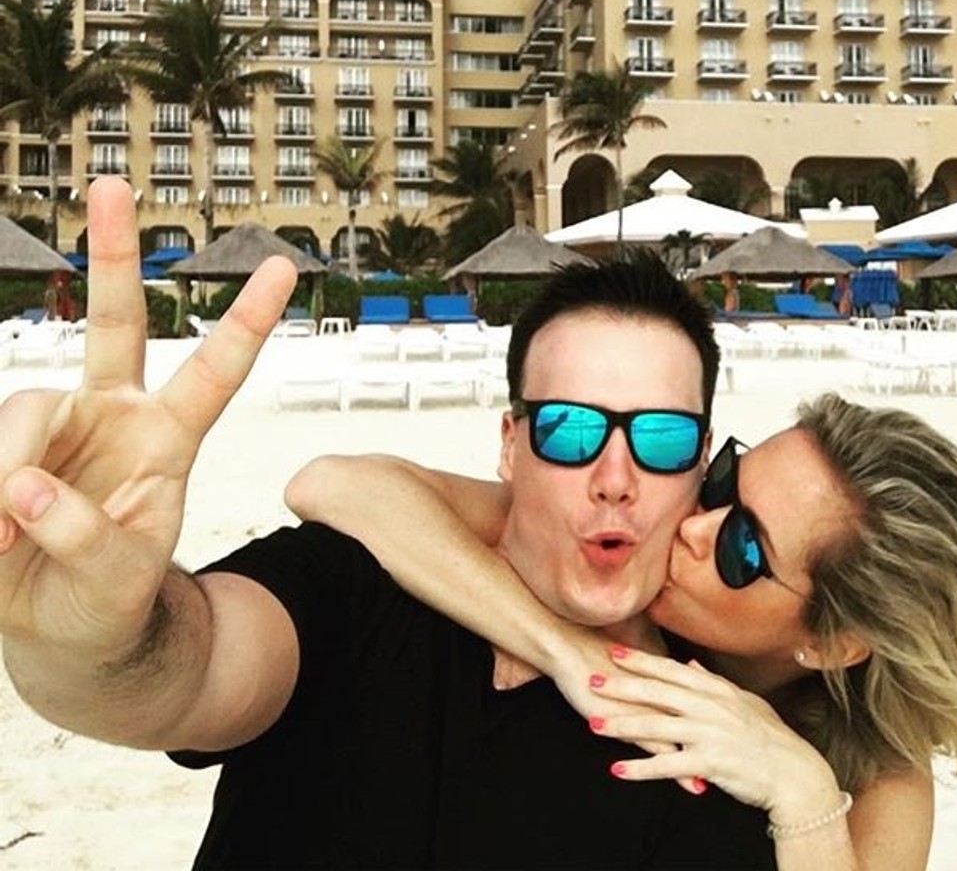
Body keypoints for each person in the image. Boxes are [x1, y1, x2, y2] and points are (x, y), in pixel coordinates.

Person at [0, 177, 777, 869]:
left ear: (701, 459)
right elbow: (186, 674)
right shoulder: (355, 583)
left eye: (663, 438)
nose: (614, 481)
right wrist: (98, 638)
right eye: (569, 431)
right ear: (510, 447)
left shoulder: (713, 746)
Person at [287, 394, 957, 871]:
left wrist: (804, 793)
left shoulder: (880, 770)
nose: (693, 528)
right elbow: (332, 484)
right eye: (722, 480)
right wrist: (565, 649)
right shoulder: (628, 552)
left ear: (831, 644)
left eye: (742, 548)